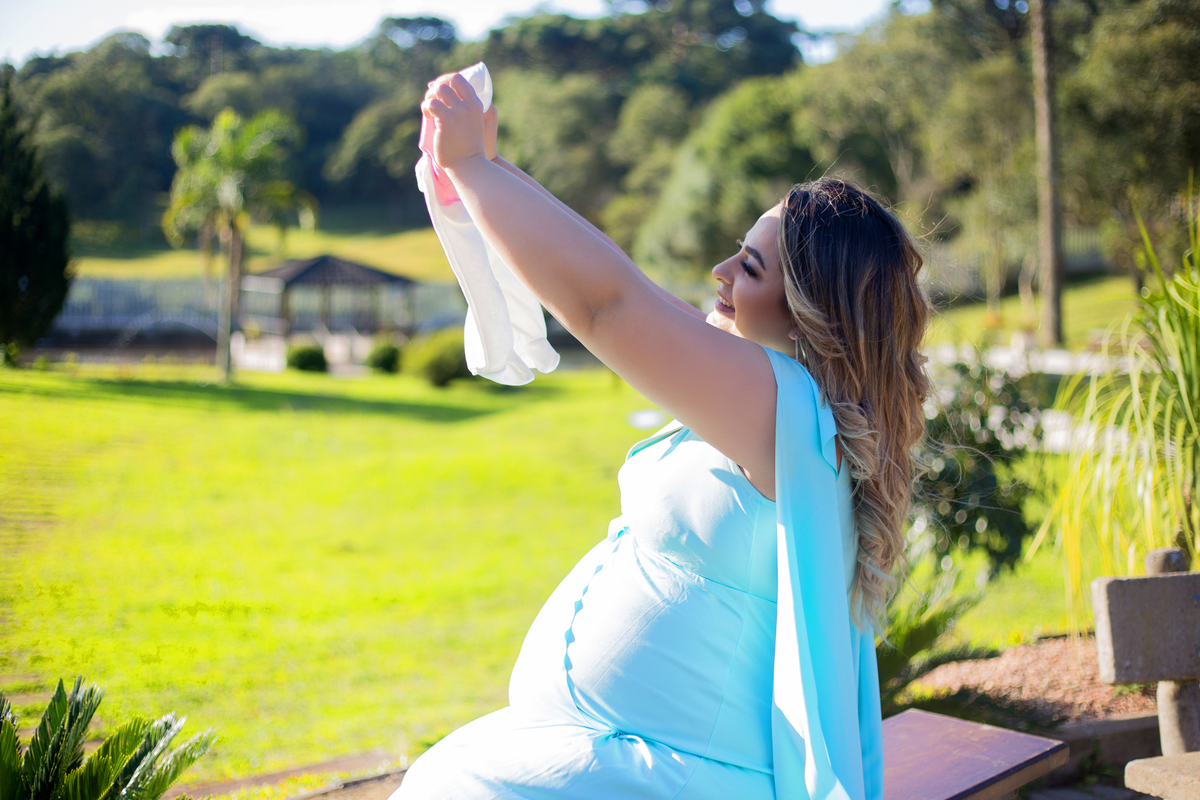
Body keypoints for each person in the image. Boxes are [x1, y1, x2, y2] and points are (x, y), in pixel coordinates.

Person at [394, 73, 931, 800]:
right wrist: (489, 170)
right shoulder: (779, 407)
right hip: (627, 757)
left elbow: (607, 304)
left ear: (811, 311)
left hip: (677, 778)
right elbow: (622, 285)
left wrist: (472, 167)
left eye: (749, 267)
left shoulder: (783, 407)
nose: (720, 272)